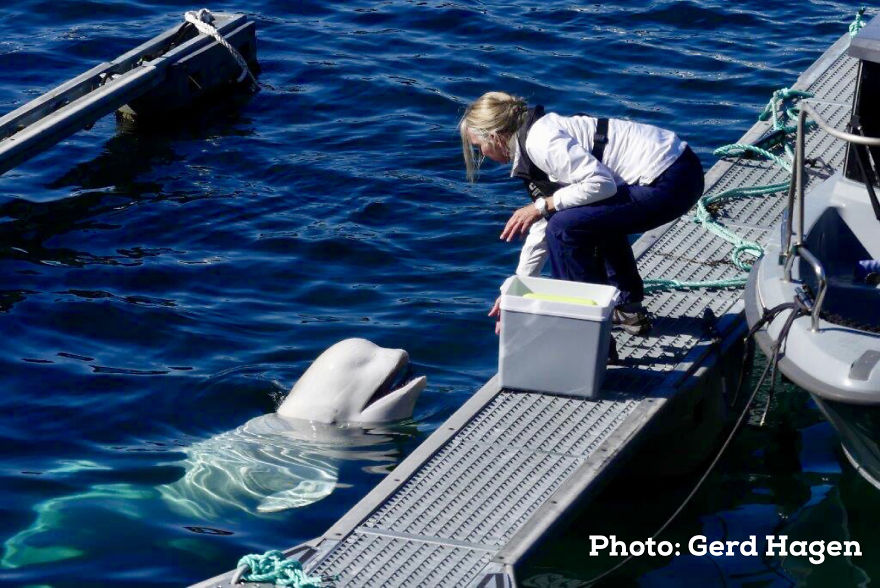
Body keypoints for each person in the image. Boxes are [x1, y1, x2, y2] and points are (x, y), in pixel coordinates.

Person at [459, 91, 704, 337]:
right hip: (682, 170)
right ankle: (626, 309)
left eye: (479, 147)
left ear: (494, 136)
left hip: (670, 180)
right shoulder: (535, 137)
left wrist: (541, 206)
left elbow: (600, 185)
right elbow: (549, 220)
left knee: (564, 228)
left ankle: (584, 330)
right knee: (584, 217)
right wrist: (515, 292)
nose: (482, 154)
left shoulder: (541, 143)